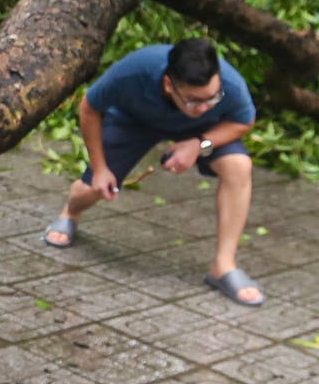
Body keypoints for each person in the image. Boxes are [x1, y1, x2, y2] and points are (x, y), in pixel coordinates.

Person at [42, 38, 264, 305]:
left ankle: (224, 266)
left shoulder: (229, 84)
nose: (205, 105)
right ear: (169, 85)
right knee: (93, 188)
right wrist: (100, 168)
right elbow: (89, 107)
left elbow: (244, 121)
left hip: (200, 132)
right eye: (195, 100)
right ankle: (71, 212)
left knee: (239, 167)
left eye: (212, 98)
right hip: (134, 121)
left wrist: (199, 144)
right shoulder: (135, 70)